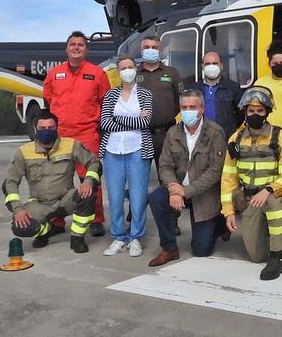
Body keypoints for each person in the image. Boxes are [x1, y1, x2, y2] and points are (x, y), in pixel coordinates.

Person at [221, 86, 282, 280]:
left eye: (260, 111)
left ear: (267, 112)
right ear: (245, 112)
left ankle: (277, 257)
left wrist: (268, 190)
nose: (255, 115)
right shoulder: (235, 140)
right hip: (248, 198)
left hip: (272, 194)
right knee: (256, 256)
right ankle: (269, 235)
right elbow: (228, 178)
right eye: (251, 111)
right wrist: (228, 211)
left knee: (275, 203)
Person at [148, 89, 228, 267]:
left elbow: (215, 171)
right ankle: (169, 248)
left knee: (201, 250)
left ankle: (219, 223)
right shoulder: (173, 133)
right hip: (178, 189)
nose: (188, 111)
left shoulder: (215, 133)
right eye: (184, 107)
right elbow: (165, 166)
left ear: (202, 109)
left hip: (203, 193)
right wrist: (173, 189)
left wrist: (186, 190)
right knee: (156, 198)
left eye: (193, 107)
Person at [42, 31, 111, 237]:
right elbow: (48, 98)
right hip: (60, 137)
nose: (76, 47)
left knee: (90, 179)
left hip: (87, 135)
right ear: (67, 48)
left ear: (86, 49)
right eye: (73, 44)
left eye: (81, 44)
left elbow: (105, 100)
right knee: (58, 180)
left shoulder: (97, 74)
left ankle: (95, 219)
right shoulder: (54, 74)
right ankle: (56, 220)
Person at [2, 111, 101, 253]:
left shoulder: (70, 145)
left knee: (87, 196)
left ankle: (77, 237)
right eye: (42, 128)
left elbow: (94, 162)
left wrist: (88, 182)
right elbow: (10, 182)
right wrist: (18, 209)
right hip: (39, 204)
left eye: (51, 127)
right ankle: (44, 231)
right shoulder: (24, 152)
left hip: (66, 199)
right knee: (20, 227)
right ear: (35, 129)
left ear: (57, 128)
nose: (47, 131)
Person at [98, 56, 154, 257]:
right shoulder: (111, 95)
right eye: (123, 68)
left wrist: (118, 119)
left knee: (138, 197)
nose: (127, 70)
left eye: (130, 67)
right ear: (118, 72)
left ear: (135, 70)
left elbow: (145, 122)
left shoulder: (146, 94)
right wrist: (132, 120)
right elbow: (105, 123)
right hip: (112, 151)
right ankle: (119, 236)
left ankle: (136, 237)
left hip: (139, 150)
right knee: (115, 197)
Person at [135, 35, 183, 168]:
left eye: (154, 47)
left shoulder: (172, 73)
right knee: (139, 178)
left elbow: (180, 101)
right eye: (147, 47)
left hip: (166, 135)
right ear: (141, 50)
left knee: (168, 176)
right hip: (140, 135)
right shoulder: (133, 74)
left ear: (160, 51)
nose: (150, 50)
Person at [197, 51, 244, 137]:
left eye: (215, 63)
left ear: (221, 66)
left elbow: (241, 112)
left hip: (224, 137)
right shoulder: (195, 89)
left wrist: (230, 127)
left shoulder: (233, 87)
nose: (211, 66)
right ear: (202, 67)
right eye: (207, 64)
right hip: (201, 139)